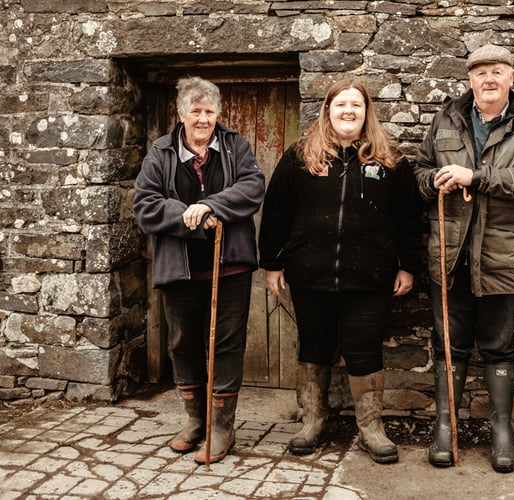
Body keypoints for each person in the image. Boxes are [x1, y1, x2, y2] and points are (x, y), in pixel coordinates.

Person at [258, 78, 422, 464]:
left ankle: (371, 428)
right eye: (341, 105)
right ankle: (312, 421)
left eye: (356, 105)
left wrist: (408, 267)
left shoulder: (391, 161)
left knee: (364, 349)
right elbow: (276, 212)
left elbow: (410, 220)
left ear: (367, 112)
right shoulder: (299, 155)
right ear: (327, 110)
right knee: (314, 346)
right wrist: (271, 263)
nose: (348, 111)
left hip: (370, 277)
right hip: (309, 273)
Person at [413, 44, 514, 472]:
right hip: (449, 257)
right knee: (448, 344)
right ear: (470, 80)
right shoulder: (445, 118)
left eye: (497, 72)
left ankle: (502, 430)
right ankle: (445, 427)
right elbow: (418, 171)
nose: (488, 79)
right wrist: (432, 181)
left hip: (501, 258)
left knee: (499, 345)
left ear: (511, 78)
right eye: (480, 73)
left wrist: (475, 176)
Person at [133, 76, 265, 465]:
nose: (203, 119)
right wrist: (184, 214)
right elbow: (145, 205)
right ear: (181, 114)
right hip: (182, 268)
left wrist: (211, 206)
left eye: (210, 111)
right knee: (183, 344)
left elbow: (253, 186)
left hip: (231, 266)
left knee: (226, 345)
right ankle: (195, 421)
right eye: (196, 111)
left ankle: (222, 427)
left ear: (218, 113)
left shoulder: (235, 145)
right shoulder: (160, 152)